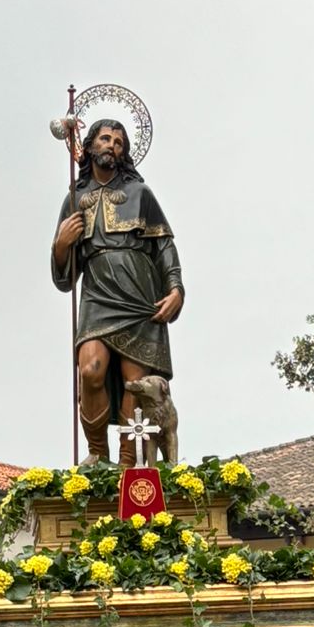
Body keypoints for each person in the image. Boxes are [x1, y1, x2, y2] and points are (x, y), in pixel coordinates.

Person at [51, 118, 185, 462]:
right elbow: (64, 278)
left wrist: (175, 288)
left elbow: (164, 246)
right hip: (97, 293)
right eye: (106, 138)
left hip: (140, 294)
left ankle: (127, 462)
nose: (112, 145)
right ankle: (97, 454)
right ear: (90, 146)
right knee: (90, 370)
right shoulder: (74, 198)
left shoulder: (140, 194)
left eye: (119, 143)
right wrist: (62, 245)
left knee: (134, 382)